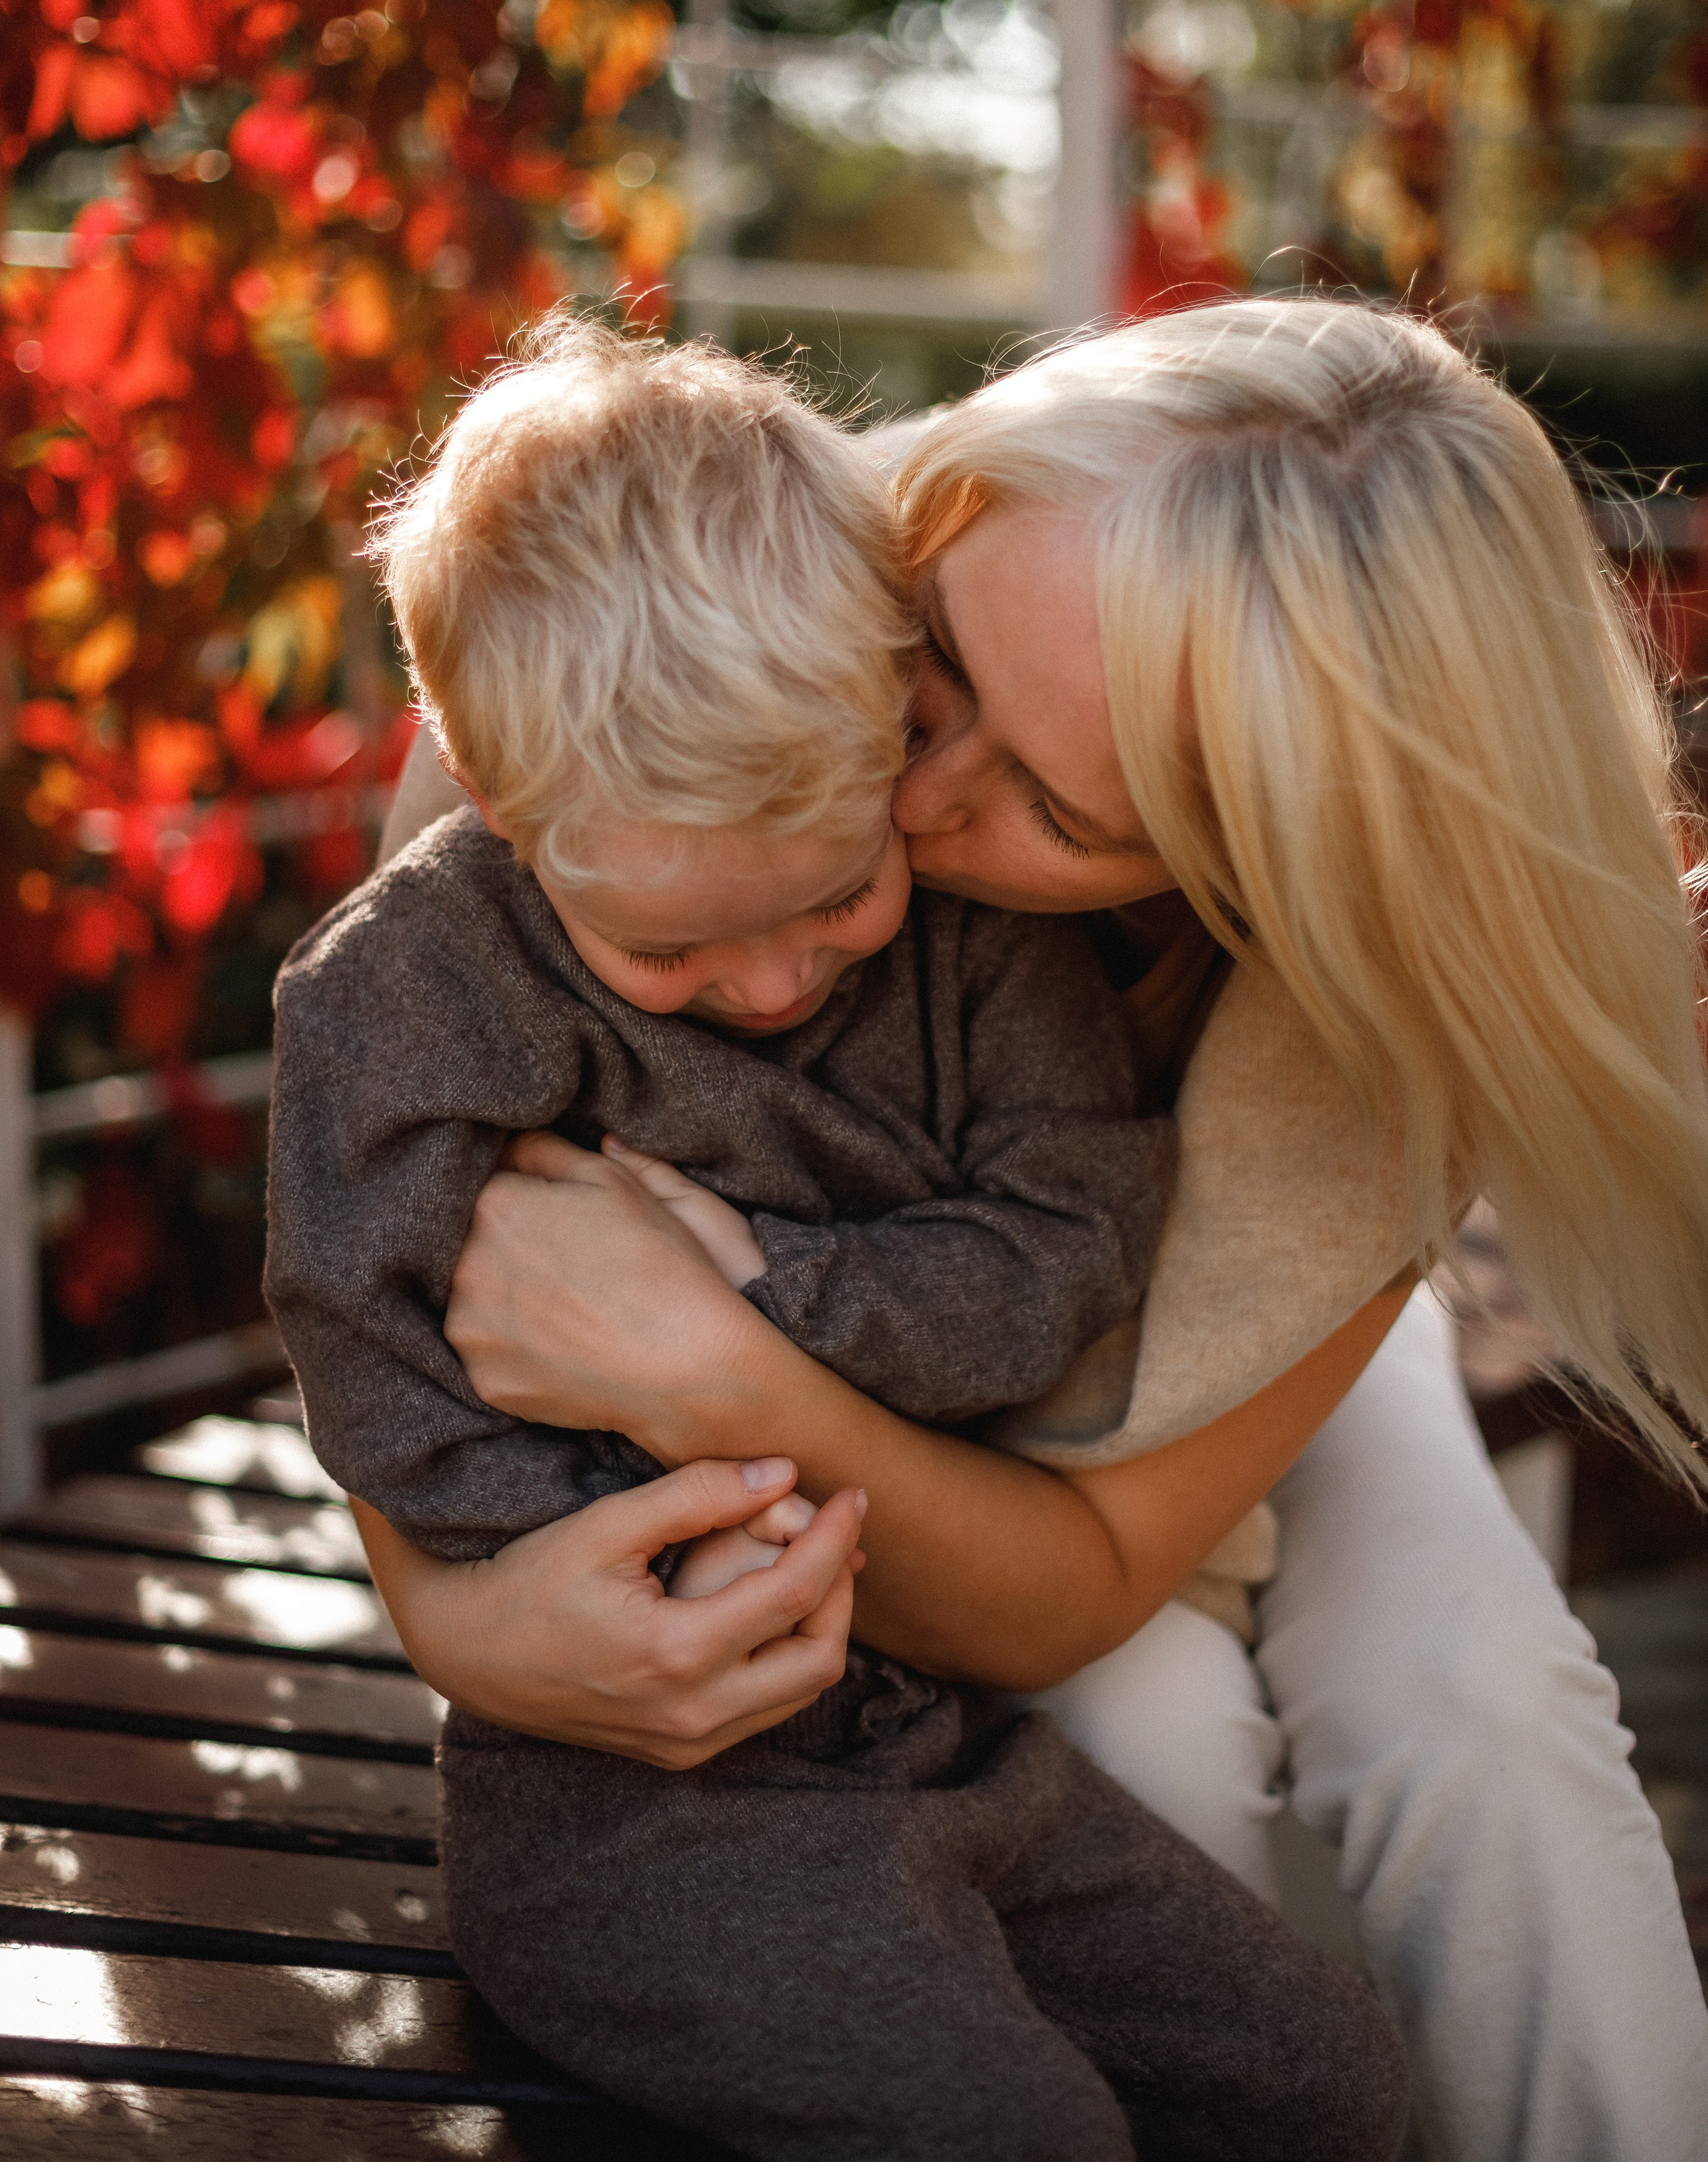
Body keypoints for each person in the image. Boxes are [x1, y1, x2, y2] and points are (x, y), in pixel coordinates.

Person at [362, 298, 1708, 2162]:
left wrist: (711, 1364)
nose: (909, 803)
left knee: (1473, 1699)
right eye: (932, 678)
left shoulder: (1378, 1015)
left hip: (1217, 1302)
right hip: (892, 1356)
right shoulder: (664, 629)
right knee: (1145, 1731)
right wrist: (461, 1620)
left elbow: (1086, 1559)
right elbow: (385, 1199)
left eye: (1054, 809)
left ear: (1260, 867)